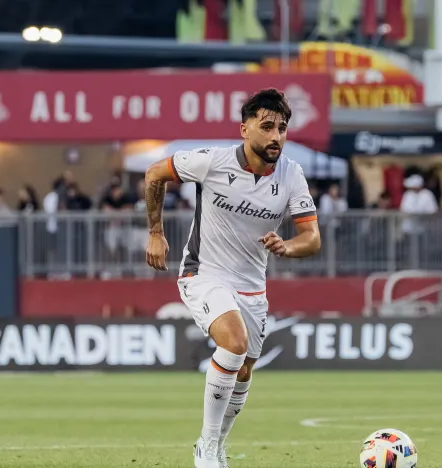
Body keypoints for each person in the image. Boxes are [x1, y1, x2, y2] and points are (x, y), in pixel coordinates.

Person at [144, 88, 321, 468]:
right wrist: (156, 232)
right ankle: (206, 448)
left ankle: (218, 446)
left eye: (283, 128)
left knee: (243, 370)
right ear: (245, 129)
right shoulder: (211, 162)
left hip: (253, 285)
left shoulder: (291, 174)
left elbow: (312, 238)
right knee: (234, 342)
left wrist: (288, 247)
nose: (276, 136)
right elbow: (155, 173)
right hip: (203, 273)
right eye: (267, 126)